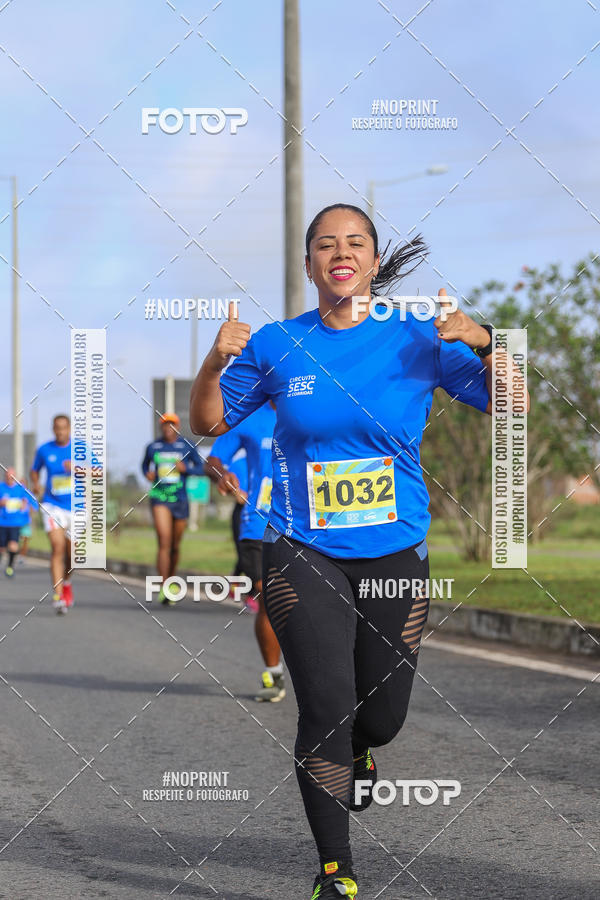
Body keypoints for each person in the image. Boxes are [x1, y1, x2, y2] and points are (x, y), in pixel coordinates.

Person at [190, 203, 530, 899]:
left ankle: (363, 748)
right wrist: (214, 359)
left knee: (379, 718)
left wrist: (487, 340)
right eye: (326, 244)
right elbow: (208, 421)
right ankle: (335, 869)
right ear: (309, 263)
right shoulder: (279, 343)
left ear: (374, 261)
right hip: (302, 547)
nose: (340, 253)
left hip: (395, 549)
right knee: (325, 707)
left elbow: (514, 404)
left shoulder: (417, 335)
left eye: (354, 243)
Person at [205, 402, 284, 702]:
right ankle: (273, 674)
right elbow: (213, 460)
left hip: (309, 524)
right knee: (269, 599)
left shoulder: (313, 406)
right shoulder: (249, 417)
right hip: (258, 523)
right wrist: (222, 475)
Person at [142, 413, 204, 605]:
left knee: (175, 546)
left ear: (177, 427)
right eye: (165, 425)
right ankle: (165, 586)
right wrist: (147, 474)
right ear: (161, 427)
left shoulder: (187, 445)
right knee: (164, 542)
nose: (168, 428)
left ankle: (171, 578)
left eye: (172, 424)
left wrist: (187, 470)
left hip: (181, 499)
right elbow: (144, 465)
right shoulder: (153, 447)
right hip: (160, 498)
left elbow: (201, 468)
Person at [31, 415, 74, 613]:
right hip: (52, 505)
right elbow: (34, 470)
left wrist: (78, 468)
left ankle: (67, 583)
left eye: (63, 428)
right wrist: (36, 483)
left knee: (73, 555)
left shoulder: (80, 450)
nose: (60, 431)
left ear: (69, 428)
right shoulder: (44, 449)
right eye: (57, 428)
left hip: (76, 507)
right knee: (57, 547)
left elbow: (98, 471)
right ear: (53, 429)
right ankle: (58, 596)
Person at [0, 468, 30, 577]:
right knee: (2, 548)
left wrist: (23, 505)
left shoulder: (20, 489)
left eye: (12, 477)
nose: (10, 478)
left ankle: (10, 567)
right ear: (5, 476)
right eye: (8, 476)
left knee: (13, 546)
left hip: (15, 523)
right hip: (2, 522)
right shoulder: (1, 487)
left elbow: (26, 501)